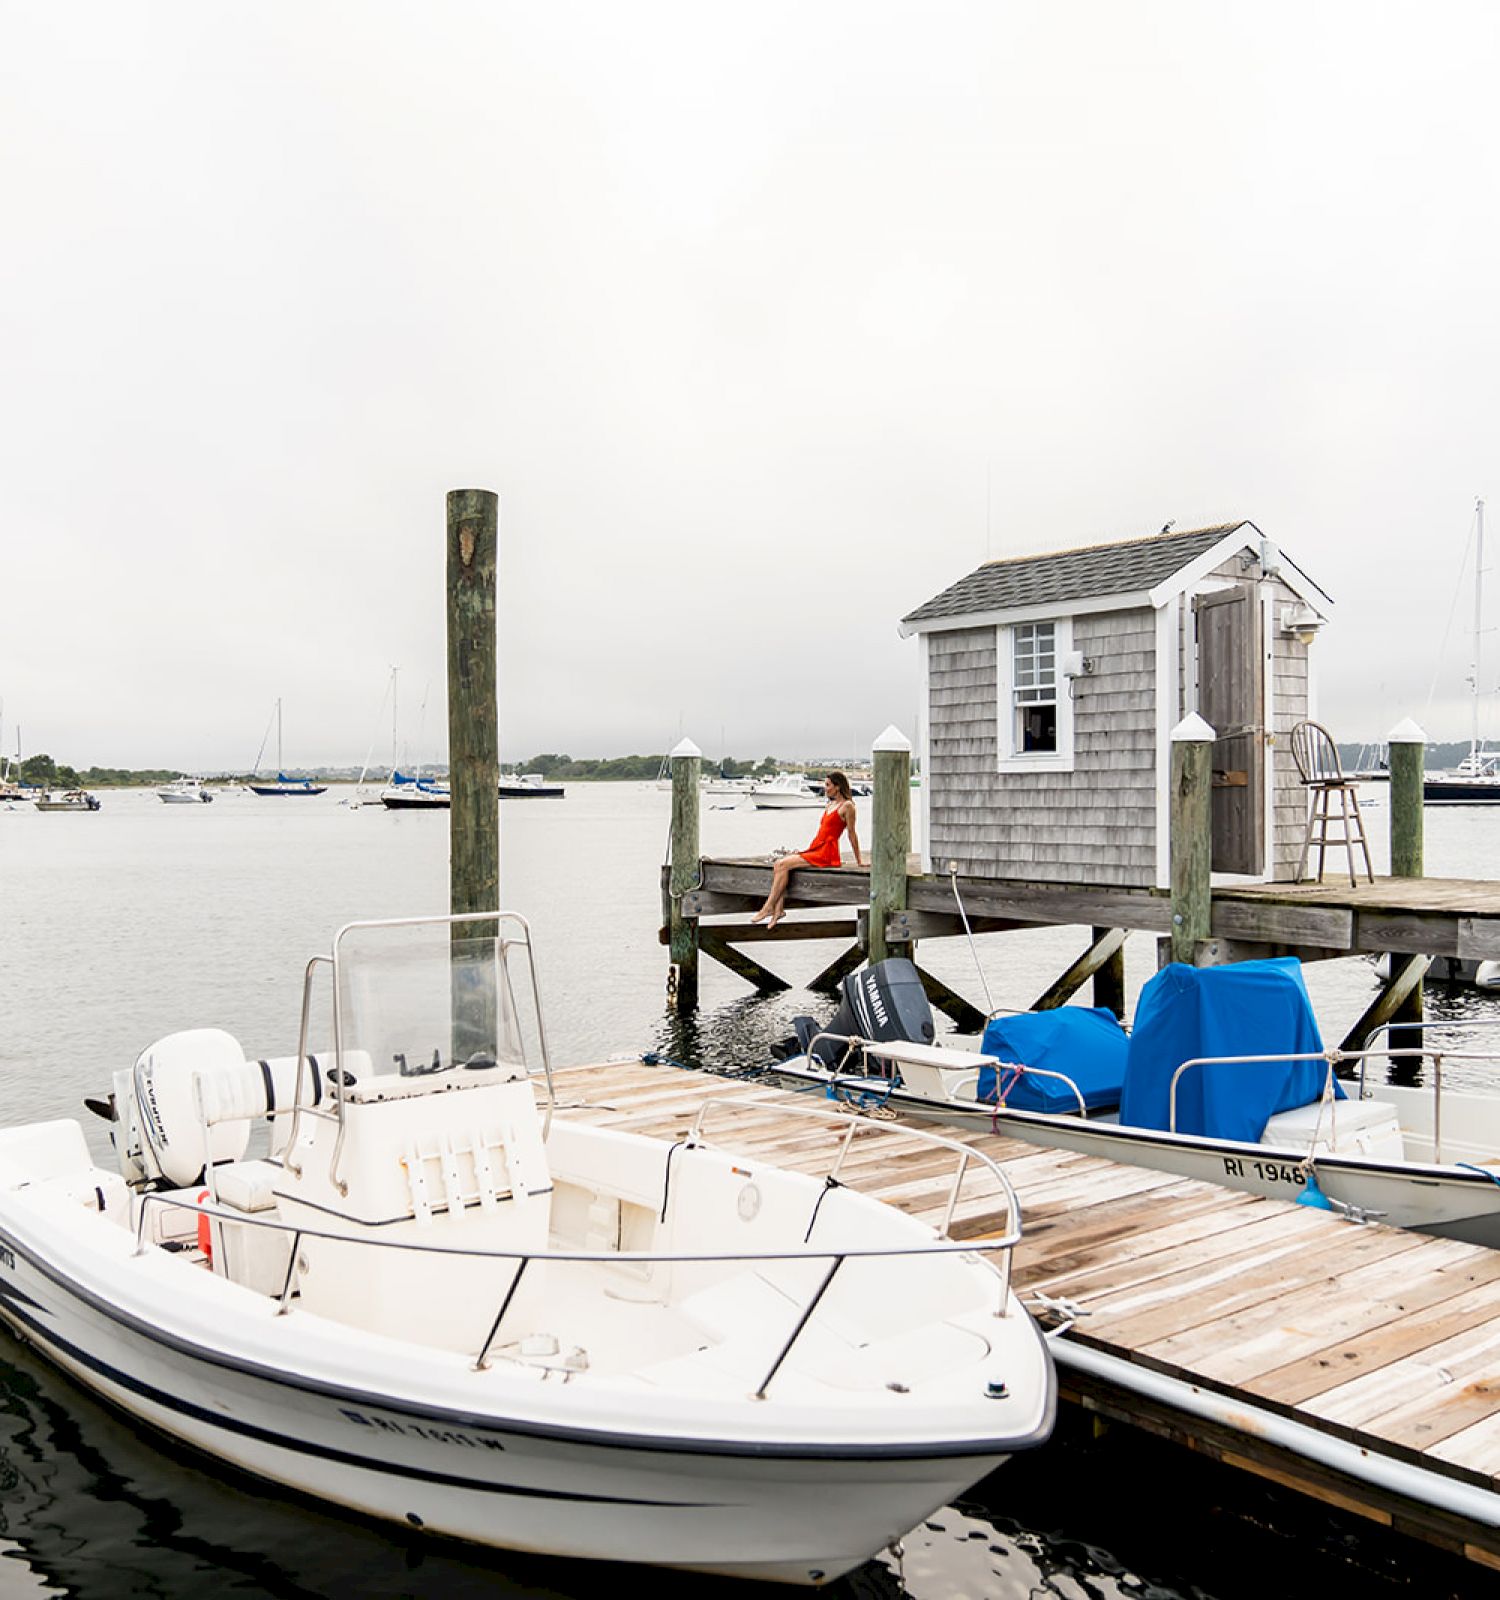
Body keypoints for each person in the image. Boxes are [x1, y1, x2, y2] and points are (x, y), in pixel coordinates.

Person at [751, 772, 864, 930]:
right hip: (816, 847)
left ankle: (768, 907)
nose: (825, 789)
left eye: (828, 785)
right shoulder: (830, 805)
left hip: (827, 852)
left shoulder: (848, 806)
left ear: (837, 787)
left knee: (783, 865)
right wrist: (806, 850)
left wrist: (859, 861)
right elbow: (822, 832)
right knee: (779, 865)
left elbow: (852, 834)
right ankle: (778, 910)